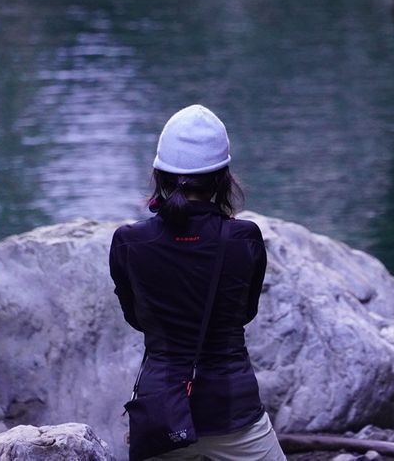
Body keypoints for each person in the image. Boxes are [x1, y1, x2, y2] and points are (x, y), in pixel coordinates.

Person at [109, 105, 286, 460]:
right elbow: (245, 313)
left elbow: (137, 319)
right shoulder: (244, 238)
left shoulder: (129, 242)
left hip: (161, 410)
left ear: (159, 173)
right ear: (223, 178)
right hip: (233, 409)